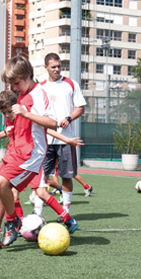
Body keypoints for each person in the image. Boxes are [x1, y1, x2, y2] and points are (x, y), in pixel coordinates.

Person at [0, 56, 57, 249]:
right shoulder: (21, 94)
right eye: (11, 84)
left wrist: (25, 113)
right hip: (16, 151)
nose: (13, 88)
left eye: (15, 83)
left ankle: (13, 220)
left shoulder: (40, 93)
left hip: (31, 153)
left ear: (27, 75)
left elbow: (53, 123)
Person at [40, 52, 87, 216]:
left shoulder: (70, 84)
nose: (57, 70)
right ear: (46, 68)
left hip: (66, 139)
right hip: (44, 139)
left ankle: (66, 211)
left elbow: (81, 108)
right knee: (42, 177)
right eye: (53, 67)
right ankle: (38, 213)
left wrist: (69, 118)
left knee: (66, 176)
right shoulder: (40, 87)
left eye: (59, 66)